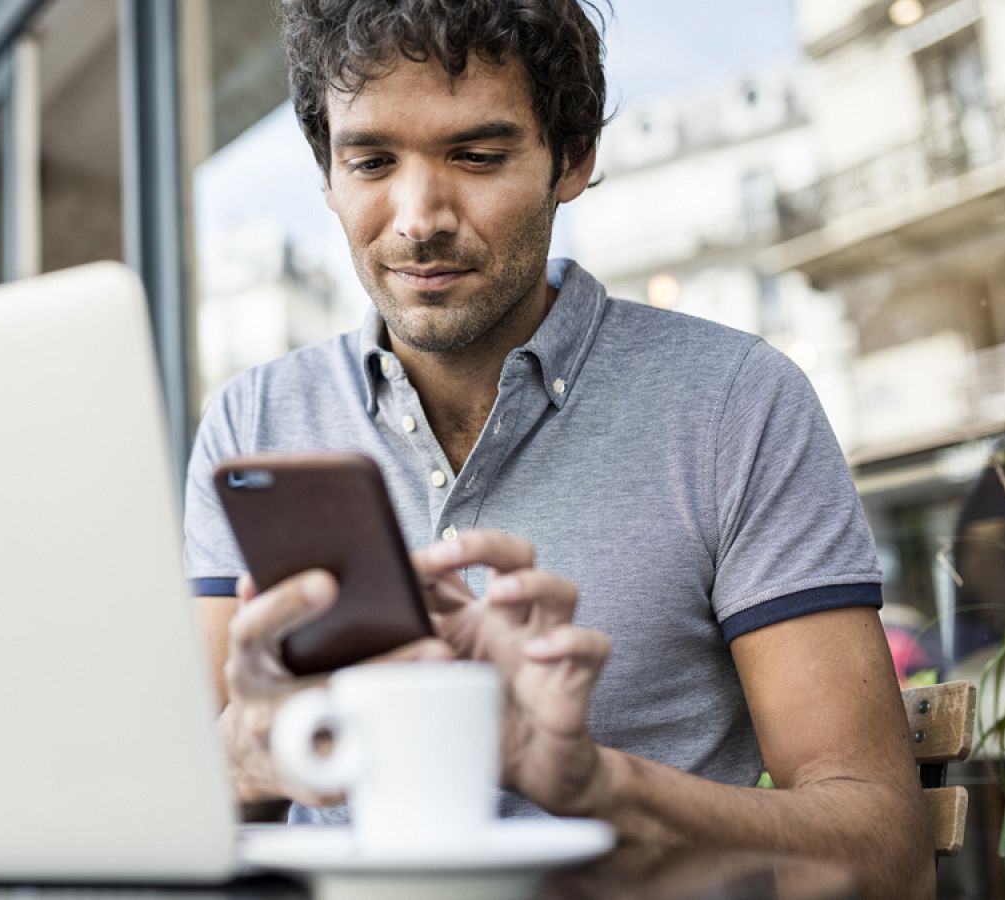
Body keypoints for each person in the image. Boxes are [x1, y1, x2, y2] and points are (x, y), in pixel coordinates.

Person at [181, 2, 934, 896]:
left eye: (478, 156)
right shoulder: (254, 420)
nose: (418, 217)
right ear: (327, 173)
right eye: (372, 161)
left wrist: (600, 789)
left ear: (572, 159)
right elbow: (180, 827)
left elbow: (886, 855)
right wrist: (247, 760)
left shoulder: (735, 403)